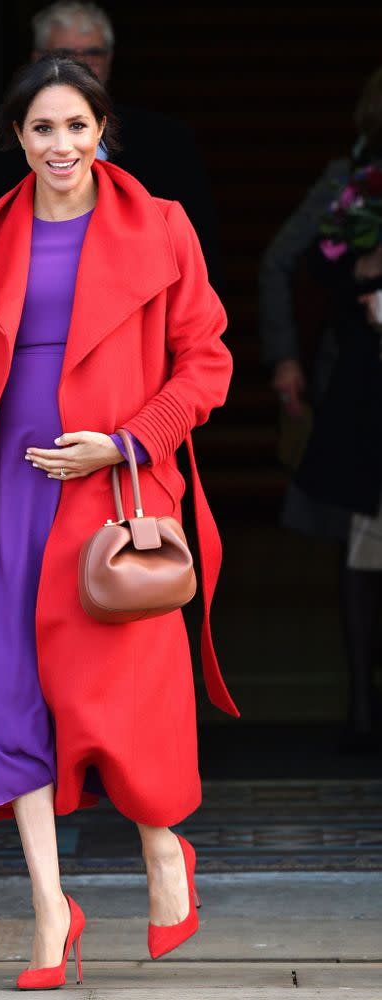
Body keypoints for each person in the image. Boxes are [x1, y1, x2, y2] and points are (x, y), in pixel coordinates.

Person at [0, 55, 237, 990]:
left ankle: (164, 853)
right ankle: (49, 909)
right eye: (42, 129)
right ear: (18, 139)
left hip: (113, 499)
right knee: (10, 699)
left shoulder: (160, 226)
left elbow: (206, 364)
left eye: (77, 126)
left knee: (116, 699)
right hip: (6, 501)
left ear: (101, 129)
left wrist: (125, 443)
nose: (60, 145)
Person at [259, 66, 382, 751]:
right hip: (360, 381)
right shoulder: (348, 180)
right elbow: (282, 261)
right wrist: (284, 359)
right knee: (361, 541)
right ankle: (361, 704)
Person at [0, 1, 222, 288]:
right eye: (65, 54)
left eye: (93, 53)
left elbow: (199, 267)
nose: (80, 64)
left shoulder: (169, 146)